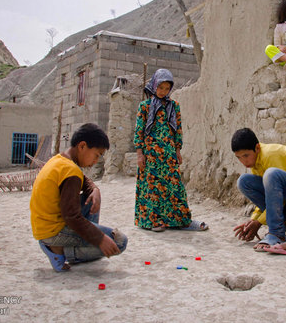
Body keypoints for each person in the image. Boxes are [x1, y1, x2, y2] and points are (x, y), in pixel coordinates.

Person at [30, 123, 127, 272]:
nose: (96, 161)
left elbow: (83, 180)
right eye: (96, 155)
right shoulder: (71, 171)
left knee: (90, 199)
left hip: (43, 227)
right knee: (120, 242)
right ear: (82, 146)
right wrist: (99, 239)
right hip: (54, 231)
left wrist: (95, 189)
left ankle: (68, 244)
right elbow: (71, 216)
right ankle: (60, 251)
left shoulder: (59, 160)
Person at [134, 68, 208, 232]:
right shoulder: (144, 107)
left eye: (167, 89)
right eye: (160, 88)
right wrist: (140, 155)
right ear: (154, 86)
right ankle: (153, 221)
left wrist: (178, 150)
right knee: (151, 188)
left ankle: (181, 221)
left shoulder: (174, 106)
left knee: (174, 187)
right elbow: (139, 131)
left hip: (168, 154)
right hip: (150, 155)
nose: (163, 92)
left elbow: (177, 130)